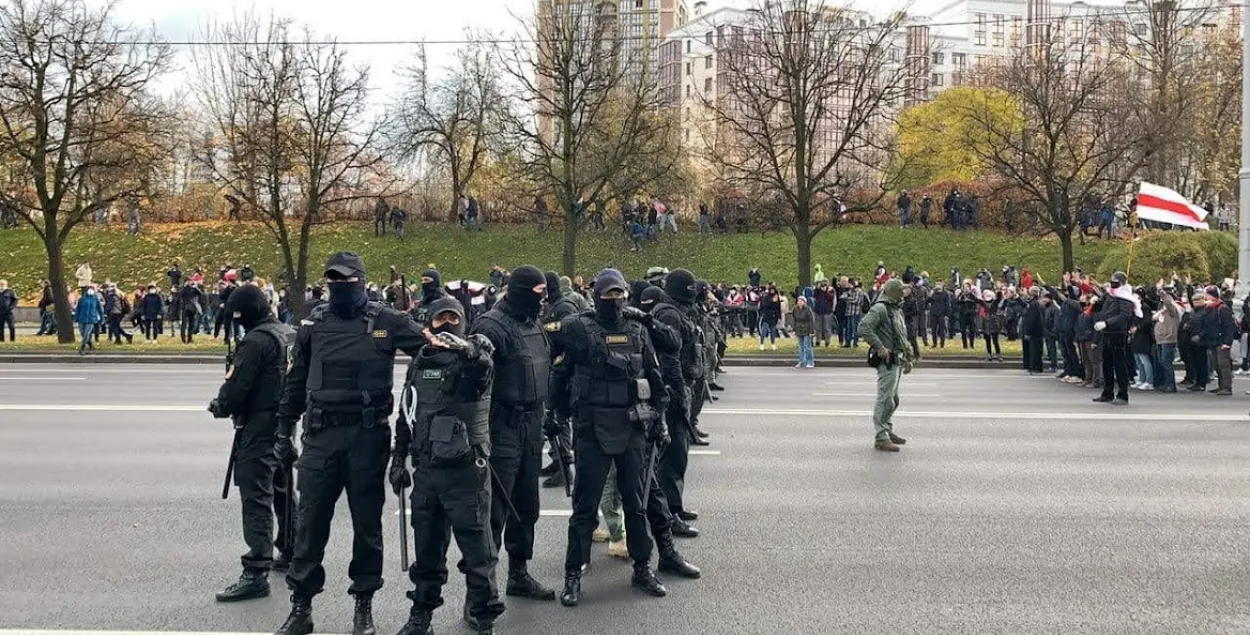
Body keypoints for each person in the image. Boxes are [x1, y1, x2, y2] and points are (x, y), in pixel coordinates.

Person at [273, 252, 428, 635]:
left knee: (367, 526)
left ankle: (364, 605)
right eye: (333, 281)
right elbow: (297, 381)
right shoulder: (314, 321)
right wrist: (283, 430)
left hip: (367, 437)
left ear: (361, 280)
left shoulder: (385, 321)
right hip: (321, 436)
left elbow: (429, 352)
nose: (339, 286)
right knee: (309, 524)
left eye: (346, 280)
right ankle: (301, 607)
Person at [546, 268, 671, 607]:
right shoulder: (579, 329)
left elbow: (653, 374)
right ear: (597, 295)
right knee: (584, 508)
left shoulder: (636, 329)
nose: (614, 300)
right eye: (608, 294)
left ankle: (642, 567)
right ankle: (573, 574)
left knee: (636, 504)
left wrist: (660, 416)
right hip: (591, 428)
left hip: (631, 427)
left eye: (619, 294)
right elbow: (559, 370)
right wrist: (552, 414)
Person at [389, 297, 504, 635]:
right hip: (427, 472)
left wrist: (468, 351)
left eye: (454, 318)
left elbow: (482, 371)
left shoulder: (472, 359)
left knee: (478, 554)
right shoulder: (420, 362)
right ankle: (421, 616)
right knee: (426, 551)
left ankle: (484, 618)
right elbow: (406, 413)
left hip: (467, 472)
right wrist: (398, 458)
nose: (447, 324)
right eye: (441, 318)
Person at [468, 265, 557, 604]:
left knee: (526, 507)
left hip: (532, 426)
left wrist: (549, 418)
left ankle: (518, 574)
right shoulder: (491, 326)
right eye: (538, 295)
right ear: (520, 292)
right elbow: (474, 381)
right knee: (493, 513)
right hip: (500, 428)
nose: (543, 302)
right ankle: (481, 592)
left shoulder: (533, 322)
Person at [208, 285, 298, 603]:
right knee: (283, 487)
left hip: (259, 425)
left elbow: (236, 388)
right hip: (285, 423)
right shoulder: (288, 334)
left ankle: (256, 570)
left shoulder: (256, 341)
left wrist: (220, 405)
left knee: (257, 492)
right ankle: (290, 549)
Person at [539, 273, 589, 491]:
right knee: (553, 417)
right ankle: (557, 459)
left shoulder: (564, 308)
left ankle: (564, 465)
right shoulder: (554, 306)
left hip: (565, 372)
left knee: (560, 418)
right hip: (554, 368)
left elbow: (571, 340)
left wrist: (562, 368)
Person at [859, 279, 914, 452]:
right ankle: (881, 436)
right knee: (885, 398)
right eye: (901, 290)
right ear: (893, 292)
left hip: (896, 358)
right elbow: (864, 327)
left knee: (893, 399)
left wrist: (908, 357)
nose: (904, 293)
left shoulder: (895, 309)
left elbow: (901, 335)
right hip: (887, 360)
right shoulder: (881, 308)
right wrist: (880, 347)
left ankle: (887, 430)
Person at [1092, 272, 1138, 405]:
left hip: (1118, 333)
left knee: (1119, 365)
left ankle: (1123, 394)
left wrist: (1107, 323)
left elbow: (1124, 315)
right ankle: (1108, 392)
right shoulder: (1110, 294)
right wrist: (1095, 303)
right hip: (1107, 333)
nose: (1111, 282)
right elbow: (1102, 307)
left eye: (1114, 280)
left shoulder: (1125, 296)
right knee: (1107, 365)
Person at [74, 285, 103, 355]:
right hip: (82, 318)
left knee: (86, 334)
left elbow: (99, 309)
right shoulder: (82, 299)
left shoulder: (95, 299)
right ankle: (90, 344)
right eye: (89, 289)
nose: (90, 291)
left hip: (91, 319)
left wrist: (102, 318)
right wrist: (76, 318)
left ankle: (82, 348)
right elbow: (78, 309)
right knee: (82, 333)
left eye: (92, 290)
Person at [792, 296, 815, 368]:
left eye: (801, 301)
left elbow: (811, 320)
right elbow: (794, 320)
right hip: (799, 329)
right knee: (800, 347)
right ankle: (801, 361)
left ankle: (810, 362)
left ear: (804, 302)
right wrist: (794, 329)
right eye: (799, 301)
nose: (799, 302)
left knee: (807, 347)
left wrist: (811, 331)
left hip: (806, 329)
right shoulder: (795, 309)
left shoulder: (808, 309)